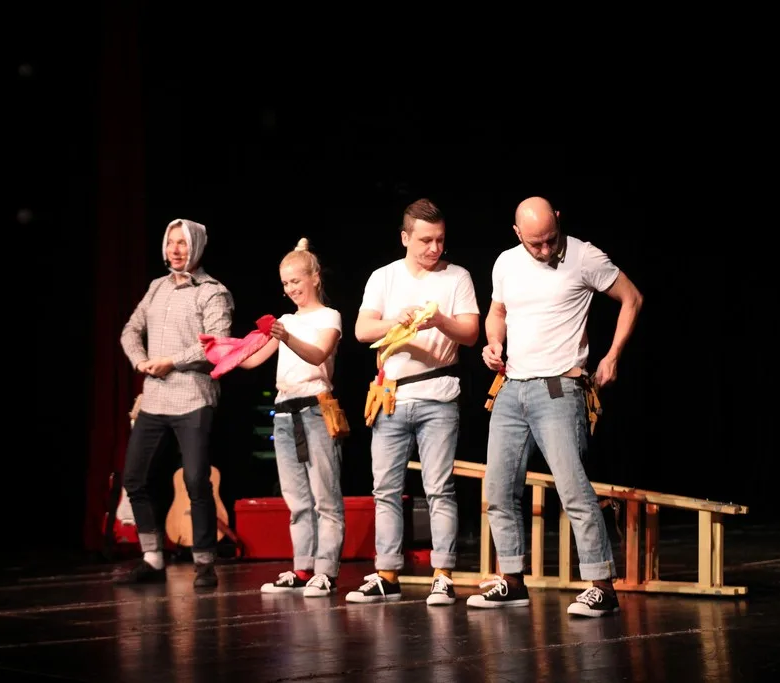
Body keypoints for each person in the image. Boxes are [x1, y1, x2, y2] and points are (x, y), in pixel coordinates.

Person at [469, 196, 643, 617]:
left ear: (559, 221)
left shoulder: (584, 256)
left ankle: (602, 586)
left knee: (572, 488)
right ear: (517, 234)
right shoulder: (506, 263)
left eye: (551, 239)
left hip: (558, 388)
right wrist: (493, 343)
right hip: (511, 387)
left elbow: (632, 298)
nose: (546, 249)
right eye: (536, 243)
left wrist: (613, 356)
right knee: (498, 489)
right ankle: (512, 581)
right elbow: (497, 312)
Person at [349, 198, 481, 606]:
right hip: (391, 396)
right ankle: (387, 574)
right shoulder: (384, 277)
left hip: (438, 395)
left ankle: (443, 574)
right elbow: (362, 330)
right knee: (385, 489)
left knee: (439, 487)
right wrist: (398, 320)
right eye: (425, 240)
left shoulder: (457, 276)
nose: (434, 248)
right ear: (405, 237)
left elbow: (471, 333)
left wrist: (439, 320)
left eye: (440, 240)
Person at [114, 218, 234, 588]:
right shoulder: (157, 287)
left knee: (196, 479)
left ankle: (204, 563)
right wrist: (140, 361)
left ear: (196, 246)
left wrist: (172, 361)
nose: (176, 250)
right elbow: (131, 330)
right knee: (135, 478)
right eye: (171, 242)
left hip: (193, 397)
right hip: (154, 398)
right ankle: (152, 558)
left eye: (183, 243)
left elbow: (217, 343)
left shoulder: (213, 292)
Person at [231, 238, 346, 598]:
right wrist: (220, 351)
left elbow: (318, 354)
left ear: (314, 277)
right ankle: (302, 567)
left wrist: (287, 336)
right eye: (285, 283)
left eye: (296, 280)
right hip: (284, 412)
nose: (291, 289)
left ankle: (326, 571)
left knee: (325, 496)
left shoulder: (329, 317)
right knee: (297, 499)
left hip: (315, 407)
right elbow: (253, 359)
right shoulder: (285, 321)